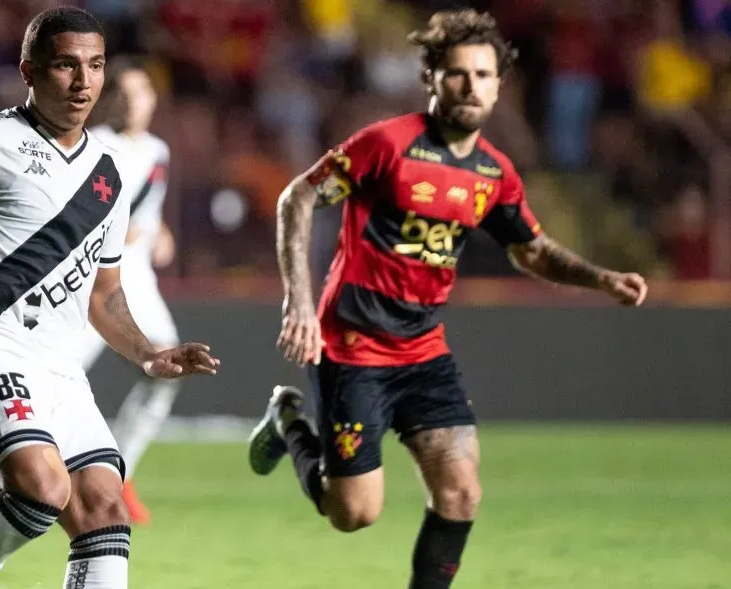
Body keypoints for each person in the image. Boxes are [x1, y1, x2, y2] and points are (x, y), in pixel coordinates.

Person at [247, 9, 648, 589]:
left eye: (483, 75)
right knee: (354, 514)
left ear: (498, 85)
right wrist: (300, 303)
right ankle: (288, 421)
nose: (470, 86)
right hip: (353, 346)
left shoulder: (494, 173)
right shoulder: (387, 145)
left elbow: (530, 249)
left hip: (423, 352)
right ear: (432, 77)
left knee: (461, 492)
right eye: (457, 73)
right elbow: (298, 198)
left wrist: (601, 278)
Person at [0, 8, 219, 588]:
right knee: (44, 490)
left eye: (95, 66)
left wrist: (149, 353)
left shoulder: (108, 178)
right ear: (29, 71)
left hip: (57, 366)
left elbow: (104, 295)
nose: (84, 81)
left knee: (105, 511)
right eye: (66, 65)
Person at [79, 56, 178, 525]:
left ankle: (117, 475)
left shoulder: (158, 150)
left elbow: (148, 206)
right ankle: (40, 473)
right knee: (62, 378)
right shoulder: (92, 144)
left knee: (167, 367)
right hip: (89, 280)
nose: (131, 101)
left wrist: (159, 232)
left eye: (140, 92)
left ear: (153, 100)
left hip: (138, 279)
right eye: (122, 92)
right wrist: (114, 230)